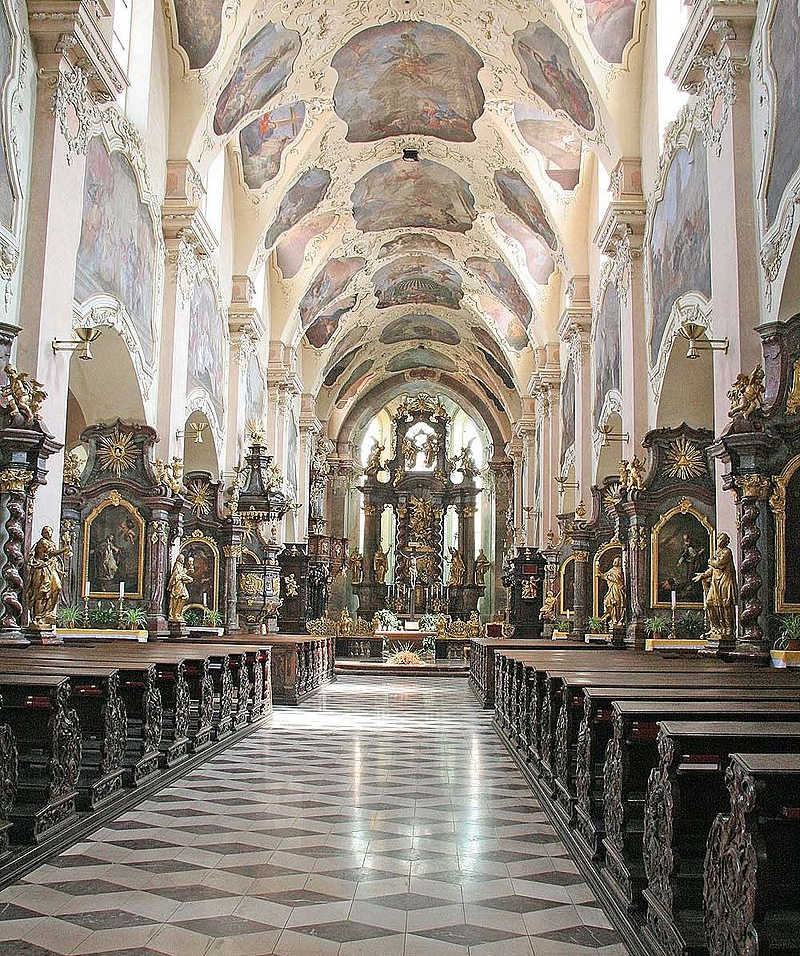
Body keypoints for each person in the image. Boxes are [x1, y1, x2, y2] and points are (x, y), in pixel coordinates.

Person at [693, 533, 737, 642]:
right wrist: (702, 575)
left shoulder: (727, 552)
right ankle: (716, 628)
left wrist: (710, 561)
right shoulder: (717, 552)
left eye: (722, 539)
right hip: (715, 582)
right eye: (718, 539)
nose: (719, 541)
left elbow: (719, 564)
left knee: (725, 606)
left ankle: (728, 629)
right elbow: (712, 569)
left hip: (725, 581)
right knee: (709, 603)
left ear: (726, 541)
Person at [25, 527, 72, 629]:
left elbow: (53, 560)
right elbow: (51, 553)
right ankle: (38, 617)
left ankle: (48, 612)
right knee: (41, 593)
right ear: (43, 533)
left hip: (50, 569)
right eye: (46, 531)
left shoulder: (52, 543)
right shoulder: (42, 542)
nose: (49, 533)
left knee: (57, 588)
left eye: (50, 531)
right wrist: (65, 549)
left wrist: (60, 571)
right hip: (41, 569)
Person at [599, 556, 626, 628]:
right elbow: (604, 575)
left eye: (616, 561)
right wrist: (599, 573)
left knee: (617, 604)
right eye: (614, 561)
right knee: (608, 601)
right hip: (611, 589)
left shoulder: (619, 570)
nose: (614, 562)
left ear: (619, 562)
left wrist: (606, 577)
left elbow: (617, 579)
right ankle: (613, 619)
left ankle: (617, 619)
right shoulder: (611, 570)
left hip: (617, 589)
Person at [168, 553, 193, 623]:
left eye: (183, 559)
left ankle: (177, 613)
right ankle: (174, 614)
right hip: (177, 584)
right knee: (177, 598)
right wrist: (189, 577)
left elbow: (182, 574)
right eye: (182, 558)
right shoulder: (177, 565)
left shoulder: (180, 566)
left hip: (181, 584)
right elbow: (179, 575)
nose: (183, 560)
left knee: (184, 597)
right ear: (179, 558)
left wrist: (187, 572)